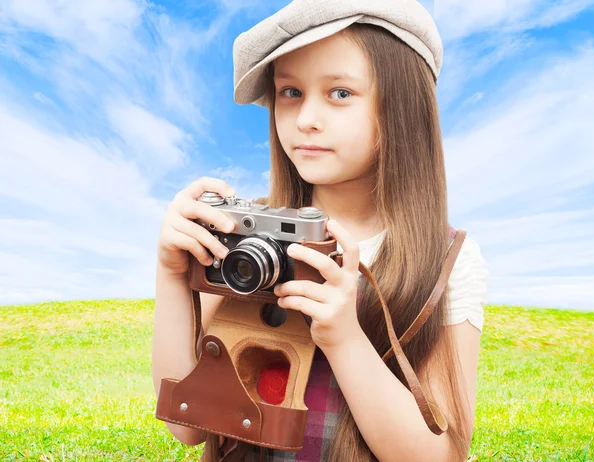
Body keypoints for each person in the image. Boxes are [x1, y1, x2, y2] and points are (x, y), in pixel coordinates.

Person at [152, 0, 489, 461]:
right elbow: (184, 424)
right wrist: (172, 276)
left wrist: (344, 339)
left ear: (403, 107)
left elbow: (443, 455)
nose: (306, 118)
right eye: (290, 92)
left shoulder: (447, 261)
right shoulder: (245, 238)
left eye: (340, 93)